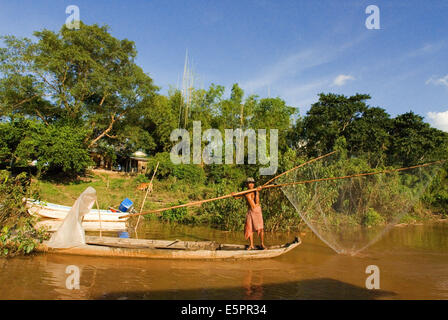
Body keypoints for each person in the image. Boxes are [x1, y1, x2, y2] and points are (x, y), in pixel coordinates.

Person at [233, 177, 266, 250]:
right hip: (250, 211)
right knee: (249, 228)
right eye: (249, 183)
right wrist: (234, 195)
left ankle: (262, 244)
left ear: (253, 184)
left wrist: (257, 192)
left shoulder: (255, 191)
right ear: (246, 184)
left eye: (252, 183)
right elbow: (237, 197)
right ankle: (251, 245)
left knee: (260, 228)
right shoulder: (245, 193)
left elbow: (257, 202)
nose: (251, 184)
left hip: (256, 210)